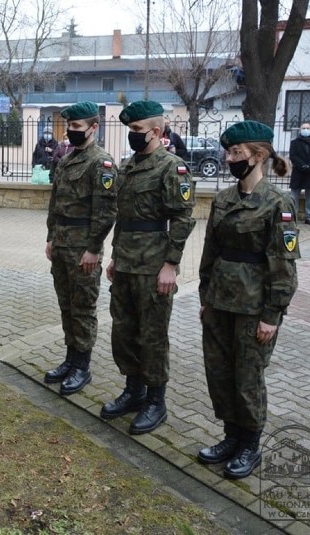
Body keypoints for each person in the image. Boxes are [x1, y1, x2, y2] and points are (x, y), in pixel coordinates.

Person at [197, 121, 299, 479]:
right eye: (228, 152)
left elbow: (284, 266)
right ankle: (231, 436)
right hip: (220, 302)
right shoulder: (224, 199)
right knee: (220, 372)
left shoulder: (278, 202)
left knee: (248, 377)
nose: (230, 158)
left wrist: (272, 314)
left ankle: (251, 444)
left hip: (254, 307)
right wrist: (205, 296)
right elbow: (210, 251)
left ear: (258, 155)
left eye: (236, 153)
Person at [101, 100, 196, 434]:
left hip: (154, 265)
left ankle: (156, 400)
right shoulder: (128, 167)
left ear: (156, 131)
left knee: (152, 335)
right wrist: (115, 256)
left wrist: (171, 264)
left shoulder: (172, 168)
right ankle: (133, 390)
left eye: (137, 130)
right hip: (126, 262)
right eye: (130, 130)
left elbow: (183, 218)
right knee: (124, 329)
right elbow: (123, 219)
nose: (132, 135)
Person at [43, 102, 117, 394]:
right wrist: (51, 237)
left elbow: (107, 211)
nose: (72, 131)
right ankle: (70, 359)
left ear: (94, 128)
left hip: (83, 248)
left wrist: (94, 249)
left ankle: (82, 367)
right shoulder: (67, 159)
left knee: (83, 308)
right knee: (66, 306)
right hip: (62, 244)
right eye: (69, 127)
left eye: (77, 127)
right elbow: (55, 203)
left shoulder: (102, 163)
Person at [288, 122, 310, 225]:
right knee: (294, 196)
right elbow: (293, 156)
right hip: (298, 172)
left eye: (308, 128)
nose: (305, 130)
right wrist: (302, 165)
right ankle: (293, 217)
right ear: (300, 130)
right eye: (303, 128)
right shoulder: (294, 142)